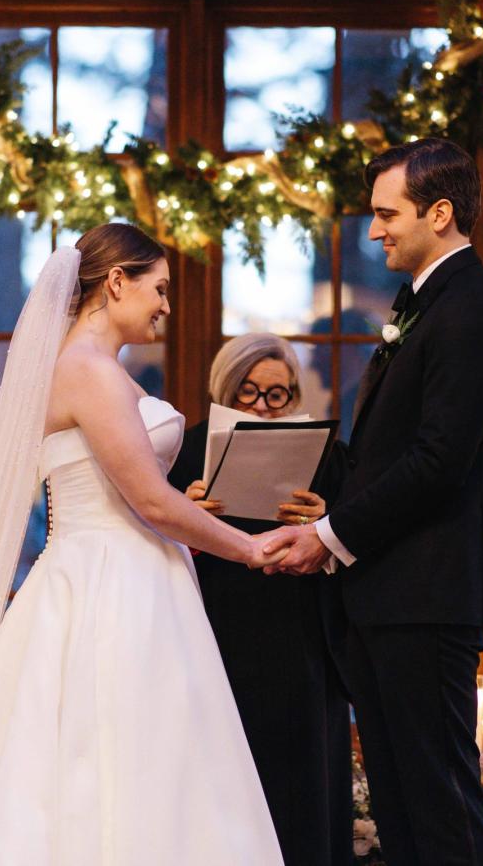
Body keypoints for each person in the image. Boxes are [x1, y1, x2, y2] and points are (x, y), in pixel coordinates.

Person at [0, 223, 289, 865]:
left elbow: (136, 490)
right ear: (116, 282)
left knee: (151, 762)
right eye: (158, 288)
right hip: (110, 584)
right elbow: (148, 500)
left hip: (129, 573)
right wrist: (250, 550)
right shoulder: (86, 371)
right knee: (106, 761)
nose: (166, 305)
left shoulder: (99, 371)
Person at [263, 137, 483, 866]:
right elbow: (387, 452)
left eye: (386, 214)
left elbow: (440, 463)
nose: (374, 230)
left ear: (439, 212)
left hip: (428, 598)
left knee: (439, 809)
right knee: (405, 810)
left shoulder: (468, 309)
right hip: (392, 595)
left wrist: (332, 535)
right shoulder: (426, 303)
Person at [167, 333, 351, 866]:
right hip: (217, 638)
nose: (263, 407)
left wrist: (325, 522)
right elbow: (154, 543)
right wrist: (188, 516)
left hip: (302, 644)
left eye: (278, 395)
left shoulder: (328, 458)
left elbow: (359, 542)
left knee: (301, 790)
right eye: (248, 393)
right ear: (226, 393)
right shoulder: (190, 455)